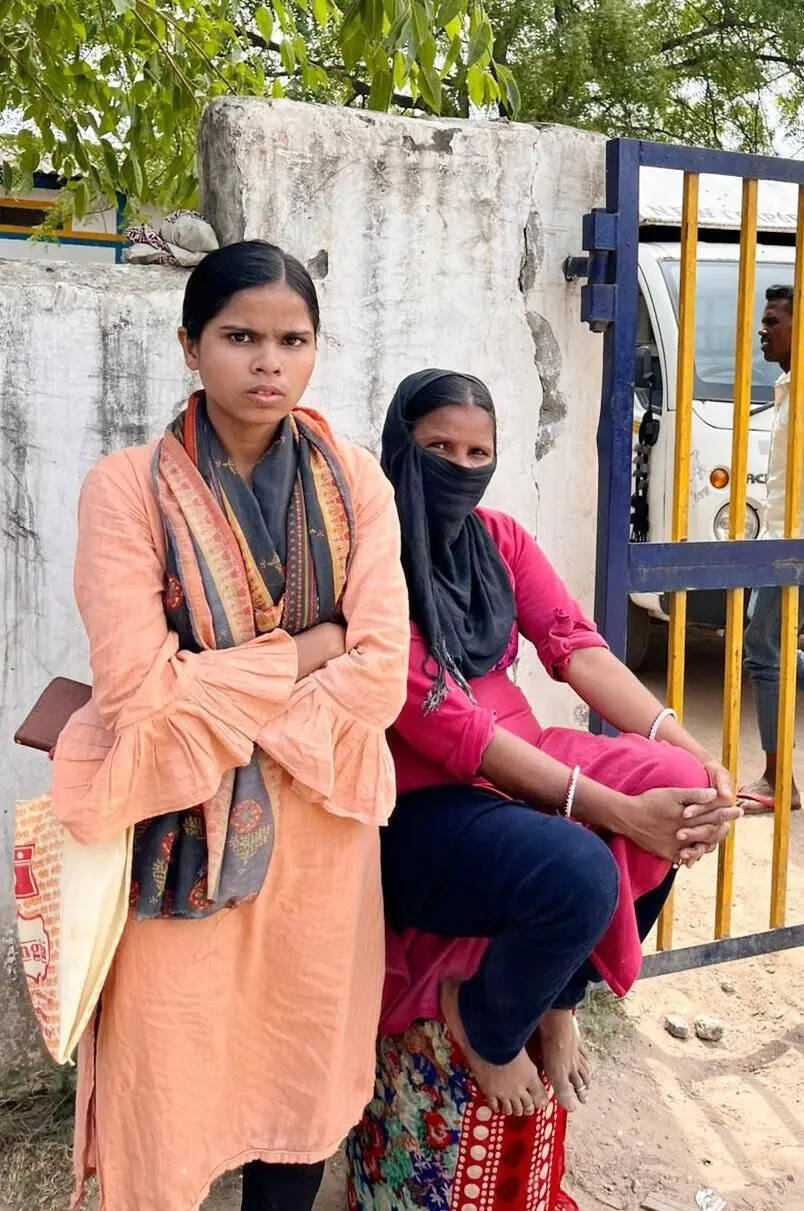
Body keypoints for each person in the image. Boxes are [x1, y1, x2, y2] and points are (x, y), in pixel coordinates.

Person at [50, 241, 410, 1211]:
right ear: (189, 344)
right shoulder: (126, 489)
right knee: (163, 1083)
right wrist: (306, 647)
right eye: (240, 336)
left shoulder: (356, 484)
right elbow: (138, 693)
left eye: (293, 339)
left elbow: (379, 676)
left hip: (323, 843)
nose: (268, 362)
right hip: (178, 833)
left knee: (297, 1078)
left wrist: (219, 687)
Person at [376, 369, 740, 1120]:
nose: (461, 467)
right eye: (439, 446)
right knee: (577, 866)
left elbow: (575, 646)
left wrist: (687, 744)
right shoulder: (374, 570)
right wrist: (615, 810)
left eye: (479, 453)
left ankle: (560, 997)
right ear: (400, 445)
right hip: (429, 803)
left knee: (677, 786)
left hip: (528, 754)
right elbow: (461, 733)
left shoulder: (498, 540)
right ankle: (485, 1019)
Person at [740, 284, 804, 813]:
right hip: (780, 538)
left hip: (793, 544)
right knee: (771, 652)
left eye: (773, 321)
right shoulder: (788, 385)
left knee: (766, 654)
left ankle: (777, 779)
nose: (762, 330)